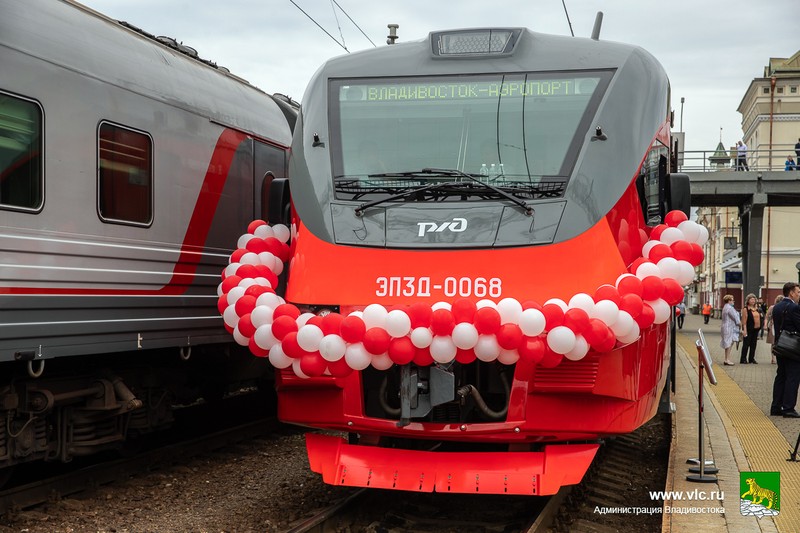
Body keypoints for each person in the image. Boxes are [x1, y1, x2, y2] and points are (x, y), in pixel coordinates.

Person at [770, 282, 800, 418]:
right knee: (792, 377)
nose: (799, 295)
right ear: (791, 293)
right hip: (793, 348)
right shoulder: (794, 307)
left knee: (781, 376)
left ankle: (776, 406)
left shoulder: (777, 306)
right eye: (798, 292)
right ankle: (788, 408)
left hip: (781, 346)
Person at [739, 293, 762, 364]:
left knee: (753, 344)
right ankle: (743, 359)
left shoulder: (757, 309)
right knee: (746, 344)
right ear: (748, 301)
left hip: (756, 329)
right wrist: (744, 330)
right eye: (751, 299)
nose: (753, 301)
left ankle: (751, 358)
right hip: (748, 329)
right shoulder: (746, 309)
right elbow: (744, 320)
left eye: (754, 299)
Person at [720, 294, 739, 366]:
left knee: (728, 342)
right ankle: (727, 359)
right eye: (732, 299)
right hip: (729, 327)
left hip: (725, 327)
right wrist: (740, 324)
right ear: (729, 301)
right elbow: (735, 318)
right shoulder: (730, 308)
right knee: (729, 343)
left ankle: (727, 359)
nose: (733, 301)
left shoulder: (725, 307)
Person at [766, 295, 784, 364]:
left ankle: (774, 358)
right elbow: (767, 317)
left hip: (777, 326)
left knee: (774, 343)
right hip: (773, 326)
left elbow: (766, 317)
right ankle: (773, 358)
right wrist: (765, 325)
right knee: (774, 342)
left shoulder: (774, 307)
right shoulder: (772, 307)